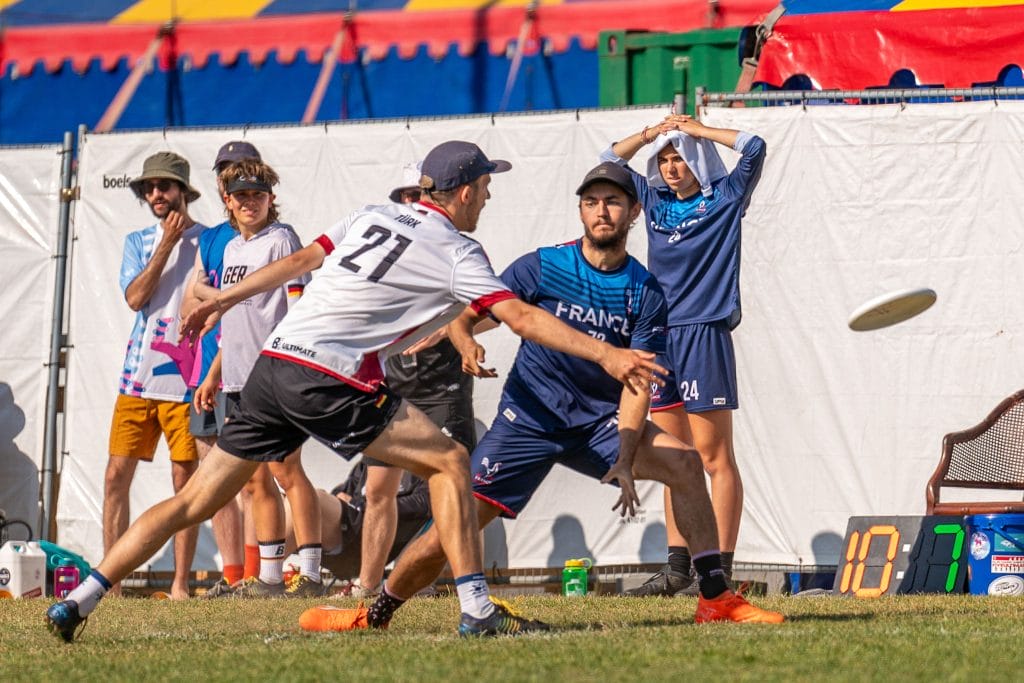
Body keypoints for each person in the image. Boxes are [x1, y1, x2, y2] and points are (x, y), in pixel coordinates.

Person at [46, 140, 662, 642]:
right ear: (467, 191)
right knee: (451, 463)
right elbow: (522, 318)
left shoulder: (368, 215)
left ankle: (80, 598)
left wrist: (225, 299)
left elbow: (297, 266)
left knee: (195, 501)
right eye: (487, 188)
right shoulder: (458, 248)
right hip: (330, 377)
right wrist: (608, 353)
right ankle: (477, 610)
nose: (488, 198)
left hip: (275, 364)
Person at [341, 162, 782, 630]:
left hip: (598, 424)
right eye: (591, 202)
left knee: (687, 464)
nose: (601, 211)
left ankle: (715, 598)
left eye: (612, 201)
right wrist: (465, 336)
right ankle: (376, 613)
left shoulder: (646, 291)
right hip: (528, 422)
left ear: (634, 210)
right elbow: (469, 312)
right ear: (580, 211)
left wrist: (628, 456)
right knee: (452, 527)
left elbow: (636, 381)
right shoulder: (544, 265)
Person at [601, 114, 767, 595]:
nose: (671, 167)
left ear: (696, 160)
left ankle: (721, 571)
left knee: (715, 458)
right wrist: (653, 134)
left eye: (679, 158)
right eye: (665, 160)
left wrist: (699, 131)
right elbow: (610, 159)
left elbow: (755, 146)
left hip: (704, 333)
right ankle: (678, 568)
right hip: (659, 338)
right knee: (675, 458)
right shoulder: (651, 201)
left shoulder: (726, 196)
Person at [337, 161, 478, 600]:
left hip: (442, 390)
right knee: (378, 489)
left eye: (416, 196)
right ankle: (367, 584)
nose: (410, 204)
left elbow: (486, 307)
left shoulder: (453, 247)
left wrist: (454, 327)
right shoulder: (381, 251)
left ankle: (452, 582)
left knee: (452, 481)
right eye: (403, 196)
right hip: (394, 385)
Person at [192, 158, 324, 598]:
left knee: (286, 471)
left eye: (258, 194)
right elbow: (237, 322)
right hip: (236, 378)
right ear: (227, 201)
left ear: (271, 198)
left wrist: (292, 365)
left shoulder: (281, 239)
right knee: (253, 479)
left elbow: (299, 305)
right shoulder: (231, 249)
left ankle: (311, 572)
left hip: (276, 375)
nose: (250, 202)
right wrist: (214, 374)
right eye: (241, 195)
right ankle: (269, 576)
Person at [103, 152, 206, 600]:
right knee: (114, 477)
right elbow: (136, 298)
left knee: (185, 483)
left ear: (184, 191)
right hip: (136, 378)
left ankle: (181, 585)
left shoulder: (210, 239)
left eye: (165, 186)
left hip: (186, 381)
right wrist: (165, 244)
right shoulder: (138, 240)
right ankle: (111, 583)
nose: (156, 195)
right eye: (149, 188)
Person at [179, 141, 261, 590]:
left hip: (244, 370)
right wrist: (207, 295)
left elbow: (242, 307)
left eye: (239, 171)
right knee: (212, 481)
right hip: (205, 371)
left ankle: (255, 574)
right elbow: (190, 300)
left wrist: (210, 294)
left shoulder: (265, 233)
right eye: (224, 172)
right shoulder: (210, 237)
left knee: (253, 479)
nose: (231, 180)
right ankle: (232, 577)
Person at [281, 462, 431, 585]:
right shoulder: (371, 461)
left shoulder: (421, 467)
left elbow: (424, 503)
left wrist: (364, 505)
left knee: (313, 498)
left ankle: (267, 576)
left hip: (367, 540)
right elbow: (341, 492)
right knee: (289, 499)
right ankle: (263, 572)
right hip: (347, 528)